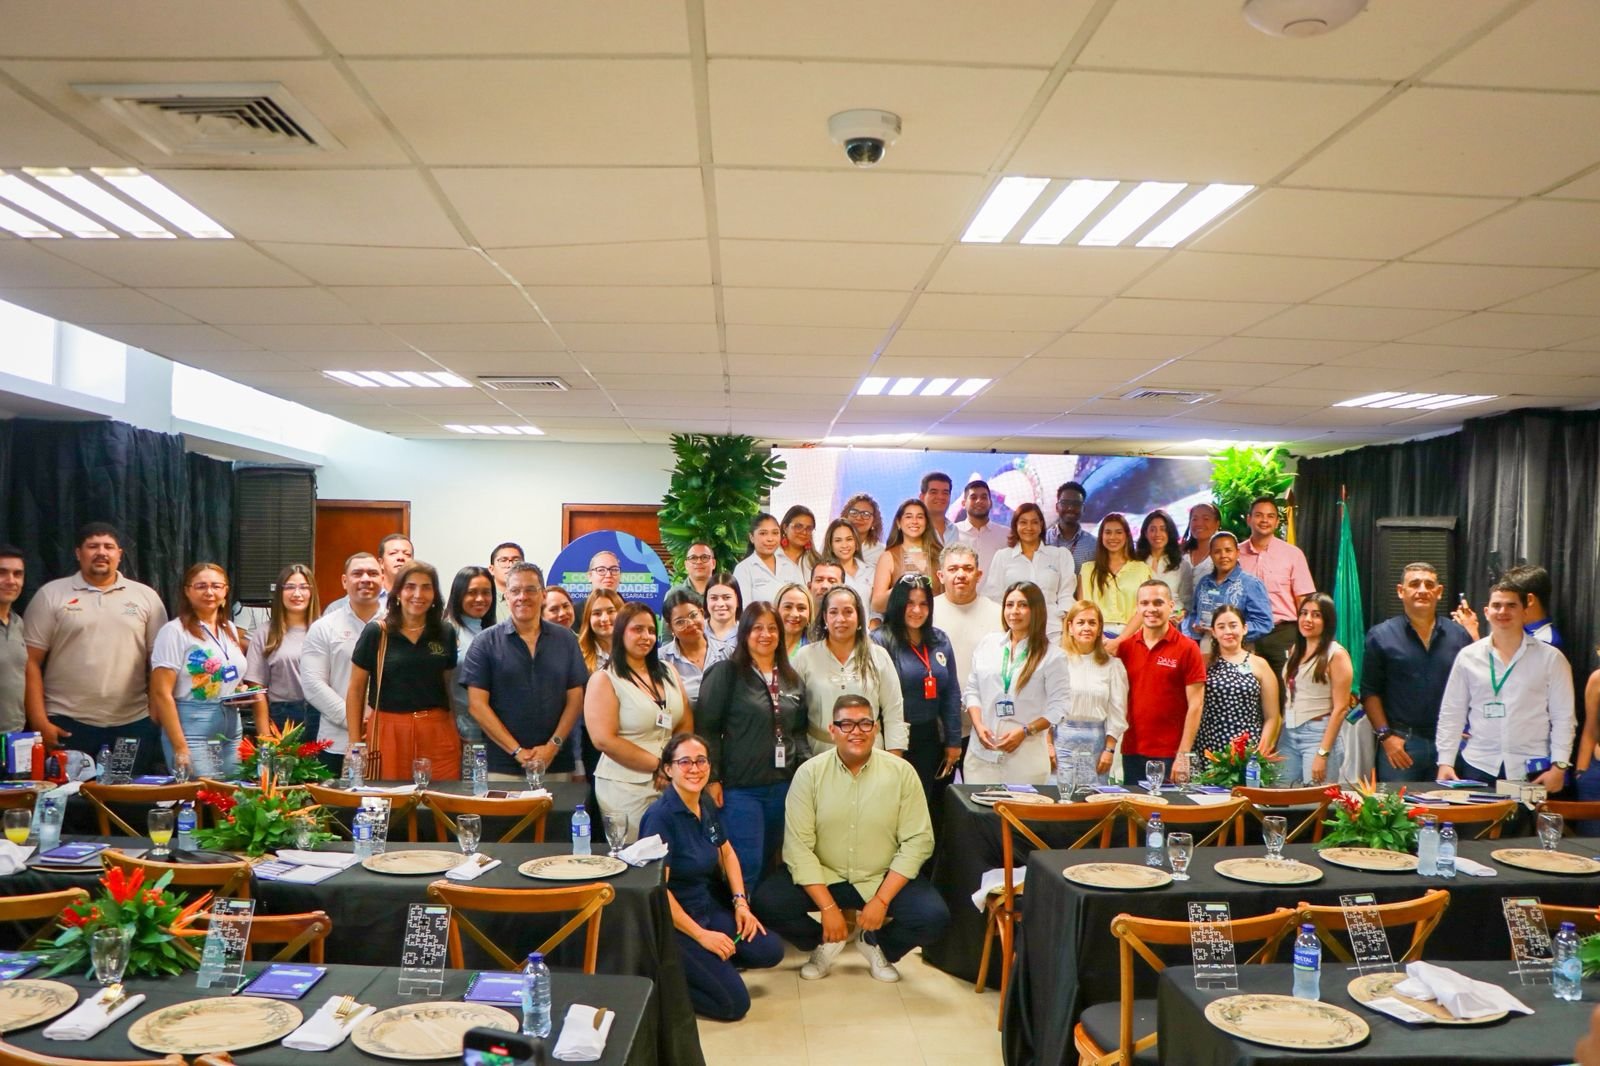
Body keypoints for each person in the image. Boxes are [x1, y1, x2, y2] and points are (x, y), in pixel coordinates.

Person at [753, 694, 947, 984]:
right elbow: (798, 848)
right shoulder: (809, 774)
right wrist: (829, 910)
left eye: (865, 723)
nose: (857, 731)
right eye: (846, 724)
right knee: (767, 902)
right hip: (827, 875)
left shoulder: (902, 773)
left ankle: (876, 944)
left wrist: (882, 900)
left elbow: (918, 841)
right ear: (832, 730)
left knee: (934, 917)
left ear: (876, 728)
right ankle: (826, 941)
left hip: (880, 876)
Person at [640, 733, 783, 1021]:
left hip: (705, 907)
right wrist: (702, 936)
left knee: (769, 950)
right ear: (668, 769)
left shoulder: (703, 803)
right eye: (684, 762)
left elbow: (726, 853)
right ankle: (665, 981)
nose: (694, 769)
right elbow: (658, 889)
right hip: (676, 923)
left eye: (701, 761)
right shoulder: (660, 817)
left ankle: (710, 966)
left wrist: (741, 903)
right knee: (734, 1005)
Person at [24, 523, 167, 773]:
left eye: (108, 547)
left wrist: (154, 716)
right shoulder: (51, 595)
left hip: (133, 724)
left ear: (119, 554)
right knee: (72, 796)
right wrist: (39, 721)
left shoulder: (146, 597)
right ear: (78, 553)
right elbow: (29, 661)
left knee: (127, 795)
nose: (101, 552)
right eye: (93, 546)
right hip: (67, 724)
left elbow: (161, 662)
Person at [696, 603, 809, 883]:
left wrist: (805, 774)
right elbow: (707, 729)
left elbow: (798, 732)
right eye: (757, 628)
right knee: (746, 864)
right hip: (740, 789)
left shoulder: (791, 678)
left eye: (772, 628)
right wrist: (713, 778)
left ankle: (761, 911)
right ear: (744, 633)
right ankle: (740, 910)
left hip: (783, 786)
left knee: (773, 862)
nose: (765, 634)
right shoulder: (727, 672)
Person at [1436, 581, 1573, 792]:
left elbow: (1564, 718)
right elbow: (1452, 712)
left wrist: (1559, 767)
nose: (1503, 611)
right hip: (1479, 765)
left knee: (1525, 817)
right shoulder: (1468, 657)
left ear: (1525, 612)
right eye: (1497, 605)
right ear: (1486, 612)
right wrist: (1445, 762)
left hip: (1532, 768)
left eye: (1511, 605)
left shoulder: (1551, 659)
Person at [460, 563, 587, 781]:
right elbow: (477, 706)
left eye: (530, 590)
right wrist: (517, 751)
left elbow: (575, 699)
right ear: (506, 596)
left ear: (543, 595)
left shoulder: (566, 640)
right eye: (515, 591)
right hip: (502, 766)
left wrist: (552, 746)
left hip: (556, 762)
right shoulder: (485, 642)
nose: (522, 597)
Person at [1361, 562, 1477, 783]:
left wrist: (1468, 726)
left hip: (1450, 745)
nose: (1422, 590)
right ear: (1400, 591)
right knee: (1397, 805)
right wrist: (1386, 737)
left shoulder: (1459, 636)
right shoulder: (1381, 636)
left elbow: (1473, 688)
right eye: (1414, 584)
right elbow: (1369, 693)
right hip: (1401, 745)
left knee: (1449, 804)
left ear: (1439, 592)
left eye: (1429, 585)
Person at [585, 602, 690, 840]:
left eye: (651, 630)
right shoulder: (604, 679)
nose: (646, 636)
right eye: (638, 629)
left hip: (672, 778)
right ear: (620, 633)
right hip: (625, 785)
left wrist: (673, 764)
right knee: (635, 853)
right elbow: (603, 739)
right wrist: (658, 766)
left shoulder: (669, 671)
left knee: (673, 851)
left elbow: (684, 720)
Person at [347, 560, 460, 781]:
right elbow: (356, 690)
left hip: (437, 730)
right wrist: (355, 742)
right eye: (410, 587)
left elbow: (446, 686)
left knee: (440, 796)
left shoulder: (445, 632)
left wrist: (454, 728)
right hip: (389, 730)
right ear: (398, 593)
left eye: (426, 587)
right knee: (391, 797)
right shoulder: (377, 632)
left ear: (434, 595)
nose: (418, 594)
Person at [148, 563, 252, 776]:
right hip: (191, 730)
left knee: (233, 791)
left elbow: (228, 675)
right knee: (202, 791)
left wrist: (239, 690)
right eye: (201, 586)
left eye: (216, 586)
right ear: (187, 591)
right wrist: (180, 747)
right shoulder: (174, 631)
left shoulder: (229, 628)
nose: (209, 592)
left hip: (231, 726)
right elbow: (161, 693)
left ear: (225, 590)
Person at [963, 581, 1067, 784]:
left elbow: (1059, 707)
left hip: (1025, 758)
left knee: (1022, 805)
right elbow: (972, 690)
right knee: (977, 804)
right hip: (982, 755)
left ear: (1036, 610)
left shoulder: (1053, 656)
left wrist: (1026, 731)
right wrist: (978, 725)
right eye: (1009, 605)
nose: (1014, 611)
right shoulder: (988, 644)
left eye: (1023, 605)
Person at [873, 574, 961, 809]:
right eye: (910, 603)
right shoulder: (880, 641)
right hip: (891, 738)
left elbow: (951, 693)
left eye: (923, 604)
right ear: (898, 604)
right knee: (892, 805)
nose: (916, 610)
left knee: (923, 804)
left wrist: (953, 740)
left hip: (929, 737)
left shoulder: (939, 639)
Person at [792, 586, 907, 754]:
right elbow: (793, 714)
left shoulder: (878, 655)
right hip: (819, 755)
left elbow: (894, 713)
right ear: (824, 617)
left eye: (848, 612)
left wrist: (894, 758)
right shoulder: (805, 657)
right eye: (833, 612)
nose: (841, 619)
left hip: (871, 753)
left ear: (859, 617)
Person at [301, 552, 385, 775]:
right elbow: (312, 683)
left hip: (386, 737)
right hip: (336, 742)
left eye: (372, 573)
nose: (365, 579)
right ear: (344, 581)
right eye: (357, 574)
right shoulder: (324, 627)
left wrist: (376, 722)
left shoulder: (396, 625)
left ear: (383, 578)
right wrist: (353, 720)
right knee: (335, 798)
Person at [1117, 579, 1206, 785]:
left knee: (1169, 807)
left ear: (1171, 606)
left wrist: (1183, 755)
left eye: (1158, 602)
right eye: (1144, 603)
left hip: (1171, 754)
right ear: (1137, 608)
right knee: (1134, 806)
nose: (1151, 609)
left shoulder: (1188, 648)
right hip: (1131, 750)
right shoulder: (1125, 648)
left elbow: (1196, 705)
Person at [1236, 497, 1315, 703]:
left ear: (1277, 522)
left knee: (1285, 696)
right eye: (1259, 515)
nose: (1265, 520)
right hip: (1245, 634)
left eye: (1270, 516)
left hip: (1283, 634)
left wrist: (1305, 636)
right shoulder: (1235, 554)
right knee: (1247, 695)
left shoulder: (1292, 554)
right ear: (1248, 519)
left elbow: (1302, 599)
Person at [1277, 593, 1352, 785]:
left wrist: (1323, 752)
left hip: (1318, 735)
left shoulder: (1336, 654)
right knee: (1281, 795)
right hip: (1288, 734)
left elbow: (1341, 708)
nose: (1307, 619)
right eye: (1304, 613)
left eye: (1316, 615)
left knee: (1315, 799)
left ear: (1327, 621)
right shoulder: (1296, 649)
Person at [1189, 605, 1281, 760]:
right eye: (1221, 627)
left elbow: (1272, 716)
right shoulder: (1203, 663)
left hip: (1248, 749)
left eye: (1233, 625)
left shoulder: (1260, 665)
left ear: (1244, 629)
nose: (1228, 631)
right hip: (1207, 747)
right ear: (1214, 632)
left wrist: (1261, 750)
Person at [933, 544, 1000, 757]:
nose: (961, 574)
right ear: (940, 576)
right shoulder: (926, 613)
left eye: (968, 568)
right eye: (953, 569)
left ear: (979, 575)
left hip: (987, 725)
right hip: (938, 726)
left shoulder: (998, 614)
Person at [244, 563, 320, 740]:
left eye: (304, 587)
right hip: (283, 716)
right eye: (290, 587)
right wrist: (265, 735)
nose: (297, 594)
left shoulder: (325, 629)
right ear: (280, 592)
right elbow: (257, 687)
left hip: (322, 714)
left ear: (312, 592)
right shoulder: (265, 633)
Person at [1058, 601, 1128, 782]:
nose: (1086, 628)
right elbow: (1047, 708)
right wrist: (1048, 745)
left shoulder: (1113, 666)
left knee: (1093, 796)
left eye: (1092, 623)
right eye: (1080, 622)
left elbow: (1117, 712)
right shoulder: (1057, 663)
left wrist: (1109, 749)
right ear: (1070, 627)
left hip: (1097, 746)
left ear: (1099, 629)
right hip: (1061, 744)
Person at [983, 502, 1074, 641]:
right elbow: (994, 597)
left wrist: (1066, 627)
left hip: (1053, 632)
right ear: (1015, 525)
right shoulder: (1003, 556)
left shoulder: (1060, 555)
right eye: (1023, 522)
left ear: (1041, 525)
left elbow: (1066, 595)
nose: (1029, 527)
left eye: (1034, 522)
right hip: (1015, 633)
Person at [1184, 531, 1273, 648]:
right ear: (1210, 555)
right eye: (1217, 552)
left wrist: (1228, 631)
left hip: (1238, 648)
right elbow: (1194, 614)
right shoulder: (1204, 583)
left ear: (1237, 553)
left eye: (1228, 550)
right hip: (1205, 647)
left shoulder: (1250, 584)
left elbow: (1264, 623)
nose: (1223, 555)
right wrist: (1196, 625)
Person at [1077, 513, 1152, 646]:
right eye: (1108, 532)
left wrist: (1119, 641)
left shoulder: (1142, 569)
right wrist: (1102, 639)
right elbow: (1082, 609)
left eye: (1118, 532)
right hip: (1095, 637)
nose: (1113, 537)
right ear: (1101, 536)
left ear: (1127, 536)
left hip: (1132, 638)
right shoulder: (1088, 570)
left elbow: (1144, 610)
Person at [444, 565, 496, 747]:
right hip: (460, 727)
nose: (480, 599)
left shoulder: (494, 632)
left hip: (492, 726)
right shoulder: (448, 631)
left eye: (486, 592)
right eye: (472, 593)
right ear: (458, 595)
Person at [658, 588, 730, 708]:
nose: (690, 624)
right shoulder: (661, 659)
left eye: (693, 615)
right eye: (680, 622)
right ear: (670, 628)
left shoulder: (727, 652)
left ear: (702, 613)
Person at [870, 499, 943, 615]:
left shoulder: (940, 555)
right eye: (909, 516)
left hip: (936, 621)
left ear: (926, 523)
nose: (914, 521)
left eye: (920, 517)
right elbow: (876, 605)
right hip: (901, 623)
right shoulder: (888, 557)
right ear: (899, 523)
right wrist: (901, 586)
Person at [324, 532, 412, 614]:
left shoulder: (416, 599)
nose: (401, 557)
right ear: (381, 563)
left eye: (407, 554)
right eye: (393, 553)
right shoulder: (340, 607)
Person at [733, 513, 801, 607]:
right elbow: (744, 608)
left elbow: (803, 599)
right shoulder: (743, 569)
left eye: (775, 533)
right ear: (752, 537)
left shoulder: (790, 566)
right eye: (763, 533)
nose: (770, 539)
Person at [1136, 510, 1192, 620]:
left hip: (1171, 621)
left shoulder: (1182, 565)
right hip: (1140, 621)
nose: (1157, 534)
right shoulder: (1135, 562)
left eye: (1163, 529)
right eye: (1153, 529)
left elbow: (1187, 602)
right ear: (1145, 533)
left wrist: (1179, 614)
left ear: (1170, 533)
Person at [1501, 563, 1562, 648]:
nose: (1503, 611)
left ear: (1529, 600)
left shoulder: (1545, 641)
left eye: (1511, 603)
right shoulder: (1518, 630)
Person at [953, 479, 1007, 573]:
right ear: (963, 503)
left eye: (984, 497)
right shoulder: (952, 532)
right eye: (973, 497)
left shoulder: (1006, 534)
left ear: (990, 503)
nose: (979, 501)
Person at [820, 518, 875, 608]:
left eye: (849, 539)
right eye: (838, 540)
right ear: (830, 545)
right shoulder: (825, 574)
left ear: (856, 543)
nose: (844, 545)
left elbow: (876, 609)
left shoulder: (870, 572)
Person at [1044, 480, 1097, 571]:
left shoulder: (1094, 545)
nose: (1070, 508)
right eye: (1065, 503)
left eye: (1076, 504)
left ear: (1083, 509)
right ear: (1057, 507)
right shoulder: (1043, 539)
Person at [0, 546, 23, 733]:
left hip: (14, 735)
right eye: (2, 573)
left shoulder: (18, 623)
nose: (11, 581)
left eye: (17, 574)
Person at [577, 589, 624, 672]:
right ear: (588, 618)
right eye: (597, 613)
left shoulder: (635, 652)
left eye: (611, 611)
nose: (604, 619)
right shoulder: (577, 654)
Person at [841, 492, 886, 570]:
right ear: (845, 516)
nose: (858, 518)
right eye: (854, 512)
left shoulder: (881, 551)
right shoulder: (831, 541)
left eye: (866, 514)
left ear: (874, 521)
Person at [1183, 502, 1221, 587]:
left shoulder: (1224, 554)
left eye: (1206, 519)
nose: (1199, 524)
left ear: (1217, 524)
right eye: (1194, 519)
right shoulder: (1180, 552)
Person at [779, 505, 819, 583]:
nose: (804, 532)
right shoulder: (771, 556)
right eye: (798, 526)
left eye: (809, 528)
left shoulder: (816, 561)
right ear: (785, 527)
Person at [775, 583, 813, 659]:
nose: (794, 614)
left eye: (801, 608)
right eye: (788, 607)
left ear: (810, 613)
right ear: (776, 609)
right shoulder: (764, 642)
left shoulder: (817, 650)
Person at [704, 574, 742, 646]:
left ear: (738, 601)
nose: (720, 604)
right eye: (714, 598)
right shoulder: (697, 631)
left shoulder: (747, 633)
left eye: (727, 597)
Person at [488, 542, 523, 618]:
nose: (510, 565)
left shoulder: (532, 597)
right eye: (503, 560)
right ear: (491, 569)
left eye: (516, 560)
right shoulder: (485, 599)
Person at [920, 472, 954, 543]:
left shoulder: (955, 531)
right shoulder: (913, 530)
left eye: (945, 493)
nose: (940, 497)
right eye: (934, 492)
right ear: (922, 497)